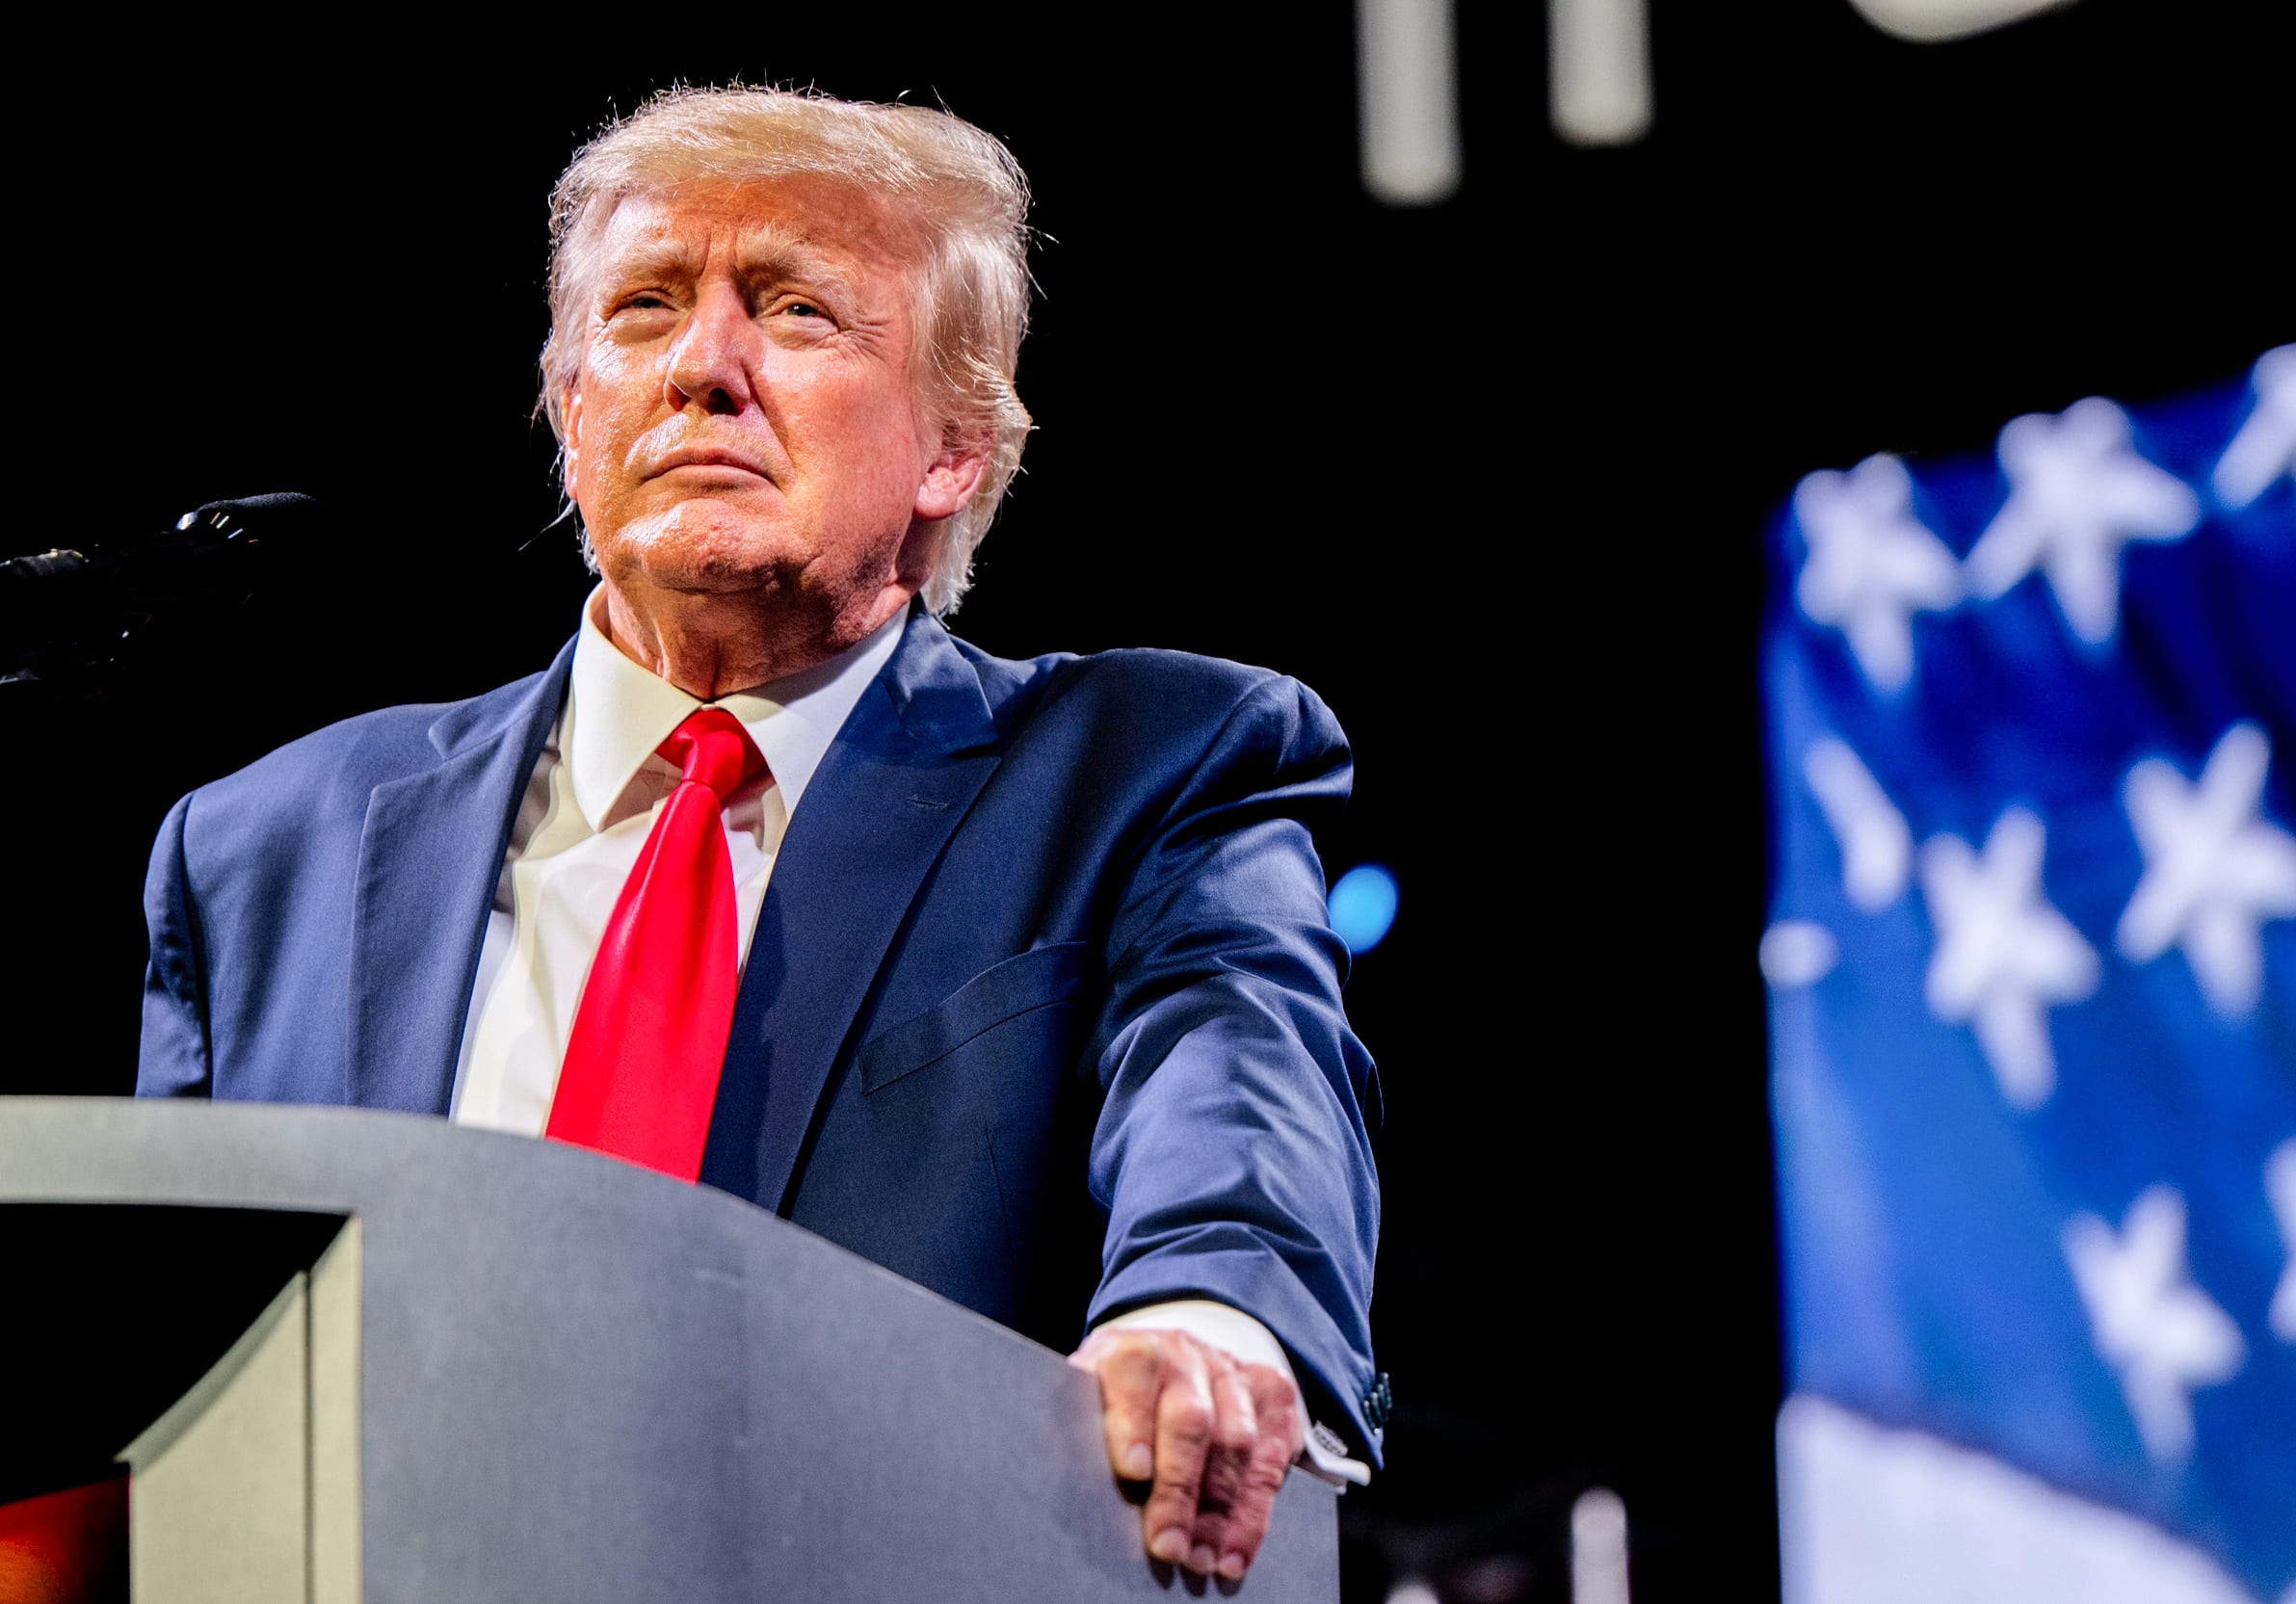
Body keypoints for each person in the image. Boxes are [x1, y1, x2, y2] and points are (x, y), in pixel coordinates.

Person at [134, 86, 1382, 1584]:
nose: (701, 368)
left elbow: (1235, 1089)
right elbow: (169, 1391)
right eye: (644, 307)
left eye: (795, 310)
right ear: (567, 402)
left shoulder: (1143, 776)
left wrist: (1207, 1316)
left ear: (956, 447)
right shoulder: (265, 850)